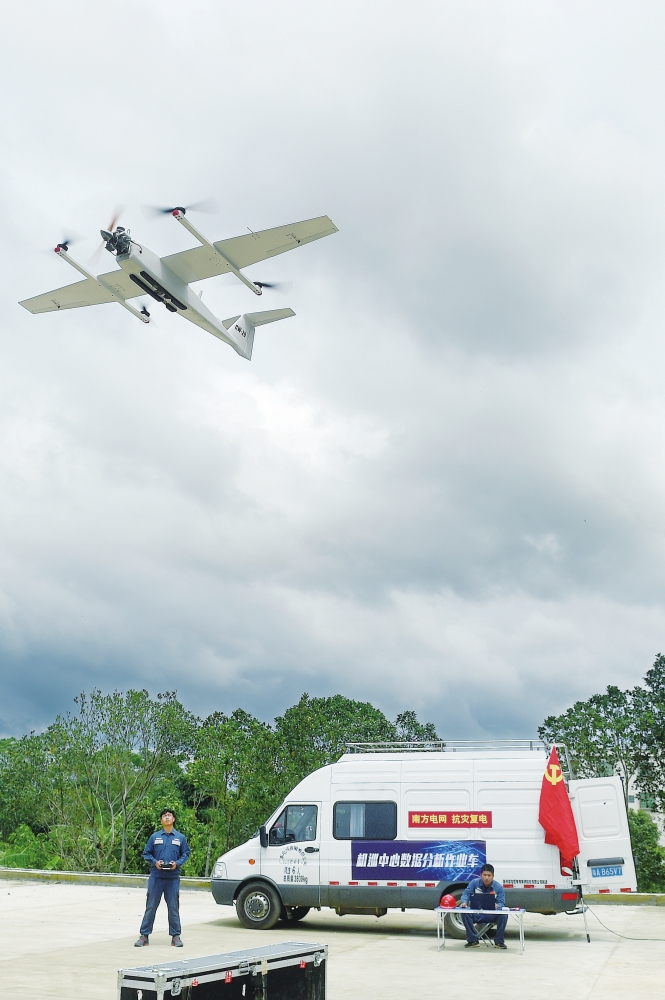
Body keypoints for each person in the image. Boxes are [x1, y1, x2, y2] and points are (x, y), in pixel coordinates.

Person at [135, 809, 191, 948]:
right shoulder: (154, 837)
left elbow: (186, 853)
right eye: (164, 816)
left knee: (173, 907)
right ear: (161, 820)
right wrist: (155, 862)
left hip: (172, 878)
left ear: (173, 819)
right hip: (156, 878)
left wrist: (176, 863)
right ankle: (144, 936)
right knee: (151, 906)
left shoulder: (180, 838)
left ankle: (176, 936)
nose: (167, 817)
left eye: (169, 815)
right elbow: (146, 853)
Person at [459, 863, 508, 950]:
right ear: (480, 875)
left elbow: (502, 902)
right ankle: (472, 940)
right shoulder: (474, 883)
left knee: (504, 915)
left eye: (489, 875)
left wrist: (498, 905)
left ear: (493, 876)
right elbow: (466, 894)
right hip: (477, 914)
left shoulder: (498, 887)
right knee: (464, 912)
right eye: (484, 875)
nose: (486, 878)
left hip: (492, 915)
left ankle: (499, 942)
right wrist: (464, 902)